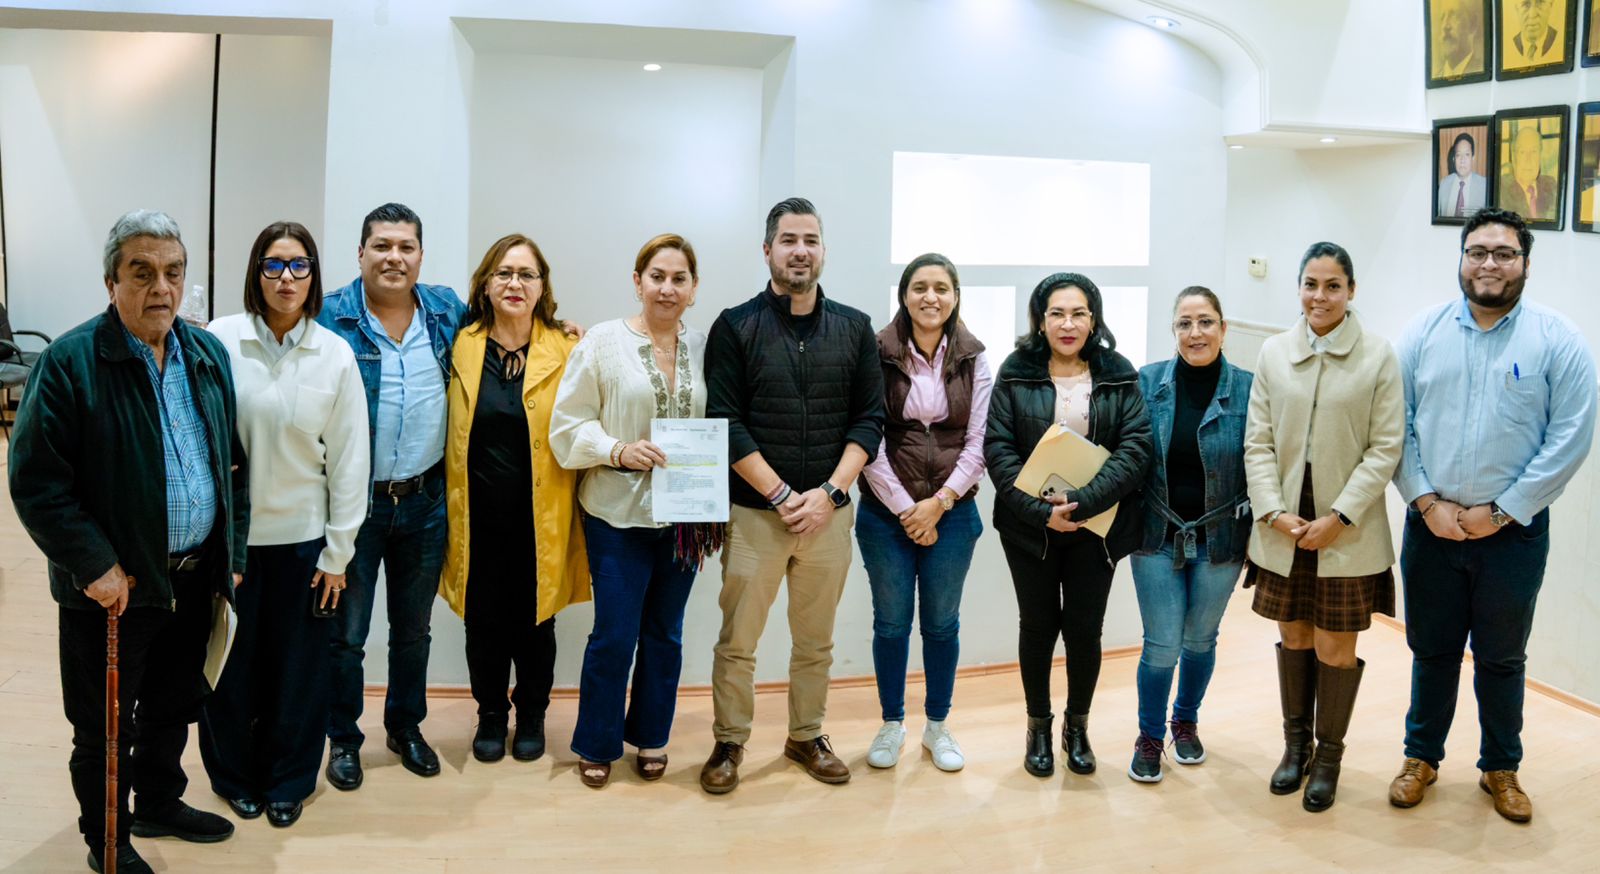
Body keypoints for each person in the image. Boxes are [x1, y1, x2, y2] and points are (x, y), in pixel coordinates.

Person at [9, 210, 248, 874]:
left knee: (174, 704)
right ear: (111, 281)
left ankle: (159, 804)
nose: (160, 288)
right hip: (115, 589)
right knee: (105, 725)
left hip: (191, 577)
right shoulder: (70, 362)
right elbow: (36, 482)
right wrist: (95, 565)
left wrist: (232, 555)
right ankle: (107, 837)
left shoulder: (206, 355)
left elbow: (233, 466)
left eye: (172, 272)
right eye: (141, 273)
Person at [1387, 208, 1597, 823]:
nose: (1489, 264)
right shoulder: (1422, 333)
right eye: (1477, 251)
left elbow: (1570, 438)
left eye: (1504, 253)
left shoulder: (1558, 339)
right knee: (1432, 651)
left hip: (1514, 536)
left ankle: (1500, 767)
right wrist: (1425, 501)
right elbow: (1394, 424)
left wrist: (1503, 512)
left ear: (1525, 263)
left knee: (1503, 657)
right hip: (1432, 527)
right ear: (1461, 258)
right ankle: (1420, 759)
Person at [699, 197, 885, 794]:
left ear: (823, 250)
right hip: (755, 515)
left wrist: (830, 493)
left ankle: (806, 736)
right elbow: (725, 421)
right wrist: (782, 494)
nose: (800, 251)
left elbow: (869, 420)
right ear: (767, 251)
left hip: (828, 517)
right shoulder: (735, 326)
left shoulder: (854, 328)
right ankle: (730, 741)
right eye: (788, 240)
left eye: (810, 240)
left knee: (815, 641)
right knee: (738, 642)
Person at [199, 222, 369, 828]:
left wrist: (338, 554)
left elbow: (350, 460)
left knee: (299, 673)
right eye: (273, 264)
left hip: (304, 545)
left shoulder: (334, 353)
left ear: (313, 275)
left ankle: (288, 782)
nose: (287, 278)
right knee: (230, 668)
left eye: (299, 265)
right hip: (231, 545)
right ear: (256, 272)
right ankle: (234, 777)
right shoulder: (220, 340)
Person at [1244, 241, 1403, 813]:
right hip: (1284, 526)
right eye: (1311, 284)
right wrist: (1272, 510)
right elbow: (1257, 441)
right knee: (1294, 636)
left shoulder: (1378, 356)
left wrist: (1340, 517)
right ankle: (1296, 748)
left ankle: (1329, 759)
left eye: (1333, 285)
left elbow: (1386, 448)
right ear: (1299, 288)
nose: (1320, 296)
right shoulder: (1273, 352)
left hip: (1346, 528)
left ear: (1351, 291)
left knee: (1336, 645)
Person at [551, 233, 709, 788]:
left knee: (666, 633)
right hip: (616, 515)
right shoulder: (602, 341)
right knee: (615, 635)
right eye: (657, 277)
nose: (667, 288)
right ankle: (597, 742)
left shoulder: (704, 348)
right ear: (637, 282)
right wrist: (617, 449)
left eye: (679, 279)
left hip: (685, 518)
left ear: (693, 289)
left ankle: (651, 735)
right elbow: (568, 424)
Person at [316, 203, 466, 788]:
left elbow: (511, 326)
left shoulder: (446, 310)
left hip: (425, 501)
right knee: (346, 635)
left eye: (406, 247)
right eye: (382, 246)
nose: (394, 257)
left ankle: (405, 728)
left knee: (413, 632)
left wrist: (562, 329)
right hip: (355, 506)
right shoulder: (329, 315)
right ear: (361, 253)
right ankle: (343, 739)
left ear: (421, 256)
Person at [985, 272, 1151, 779]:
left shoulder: (1118, 373)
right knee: (1037, 628)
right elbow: (998, 449)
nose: (1067, 323)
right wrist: (1042, 513)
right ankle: (1038, 726)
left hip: (1096, 527)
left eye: (1078, 313)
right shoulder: (1016, 371)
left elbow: (1136, 448)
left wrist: (1080, 503)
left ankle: (1077, 728)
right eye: (1056, 313)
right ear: (1040, 320)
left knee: (1084, 630)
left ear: (1093, 319)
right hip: (1028, 528)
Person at [439, 233, 589, 765]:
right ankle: (489, 714)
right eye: (503, 273)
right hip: (475, 516)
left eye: (527, 274)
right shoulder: (459, 345)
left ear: (542, 286)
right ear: (485, 283)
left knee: (536, 621)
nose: (514, 284)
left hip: (541, 516)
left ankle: (531, 715)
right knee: (481, 622)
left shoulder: (568, 349)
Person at [858, 253, 991, 774]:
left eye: (941, 287)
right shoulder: (876, 352)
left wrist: (939, 503)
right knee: (891, 624)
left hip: (953, 513)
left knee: (941, 625)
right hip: (884, 515)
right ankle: (892, 723)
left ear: (955, 296)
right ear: (904, 295)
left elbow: (980, 440)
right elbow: (867, 436)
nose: (930, 297)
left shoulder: (975, 358)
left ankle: (937, 726)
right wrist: (907, 509)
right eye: (919, 287)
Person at [1126, 286, 1253, 783]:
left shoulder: (1249, 389)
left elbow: (1263, 462)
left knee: (1200, 639)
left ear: (1223, 328)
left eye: (1205, 322)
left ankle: (1185, 721)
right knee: (1161, 644)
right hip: (1156, 536)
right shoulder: (1147, 381)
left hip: (1221, 539)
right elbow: (1125, 453)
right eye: (1185, 323)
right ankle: (1149, 735)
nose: (1195, 333)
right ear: (1174, 330)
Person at [1499, 126, 1559, 222]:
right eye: (1522, 152)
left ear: (1540, 156)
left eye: (1534, 152)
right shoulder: (1501, 189)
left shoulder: (1551, 185)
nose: (1528, 160)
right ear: (1514, 157)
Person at [1437, 132, 1488, 219]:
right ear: (1454, 159)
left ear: (1473, 158)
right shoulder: (1444, 184)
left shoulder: (1484, 186)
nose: (1462, 160)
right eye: (1458, 155)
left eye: (1467, 154)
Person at [1432, 0, 1485, 79]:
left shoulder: (1480, 69)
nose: (1445, 26)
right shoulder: (1437, 77)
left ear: (1472, 24)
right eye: (1442, 17)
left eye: (1454, 15)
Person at [1506, 0, 1559, 67]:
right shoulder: (1509, 45)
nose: (1532, 15)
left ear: (1551, 5)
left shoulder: (1559, 40)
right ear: (1517, 9)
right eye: (1525, 4)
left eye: (1540, 3)